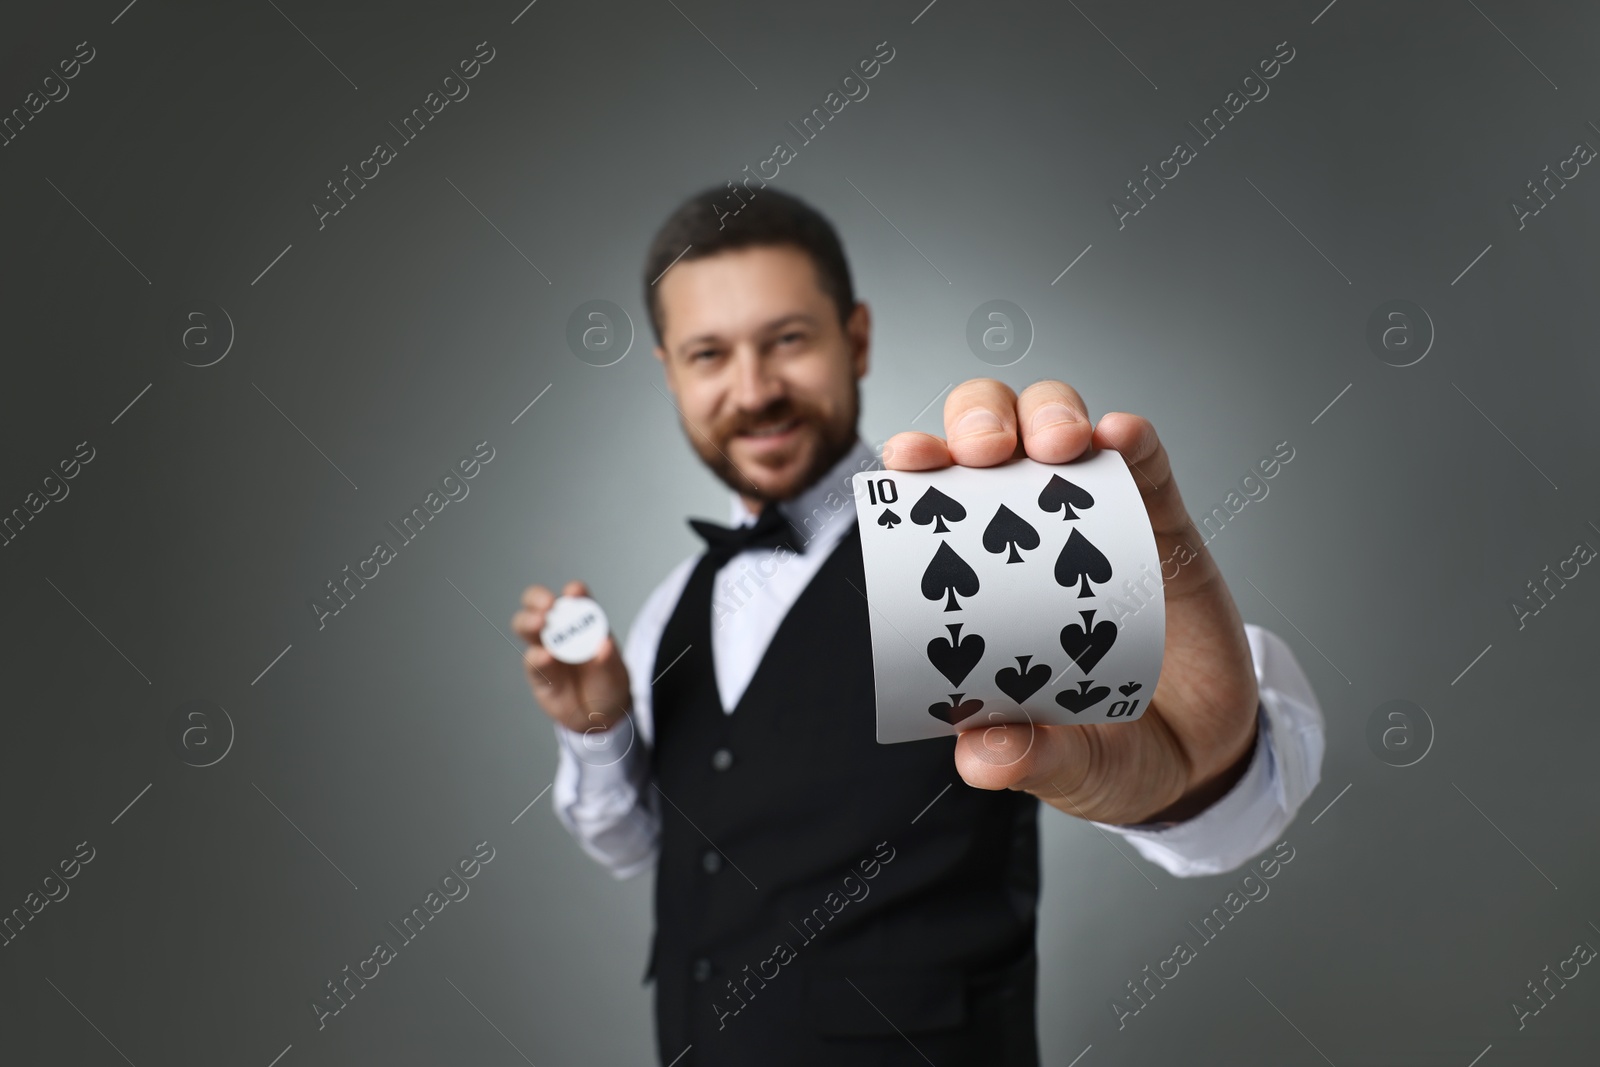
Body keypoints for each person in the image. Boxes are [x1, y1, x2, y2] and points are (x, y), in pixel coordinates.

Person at [512, 186, 1324, 1067]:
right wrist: (596, 725)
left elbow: (1213, 788)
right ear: (671, 370)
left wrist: (1213, 772)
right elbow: (637, 848)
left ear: (854, 338)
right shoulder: (673, 602)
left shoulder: (965, 545)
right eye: (710, 354)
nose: (754, 390)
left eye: (788, 340)